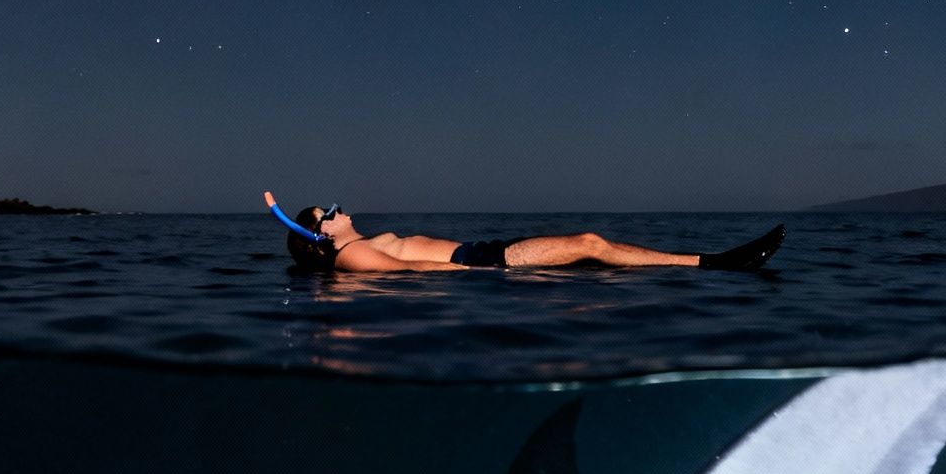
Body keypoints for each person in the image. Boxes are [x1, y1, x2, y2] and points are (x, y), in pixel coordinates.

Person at [263, 192, 781, 273]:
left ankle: (710, 261)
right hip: (485, 265)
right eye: (328, 211)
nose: (338, 208)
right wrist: (487, 277)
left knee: (593, 253)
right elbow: (409, 271)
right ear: (320, 233)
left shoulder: (356, 243)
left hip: (484, 259)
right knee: (591, 245)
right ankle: (715, 263)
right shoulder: (351, 255)